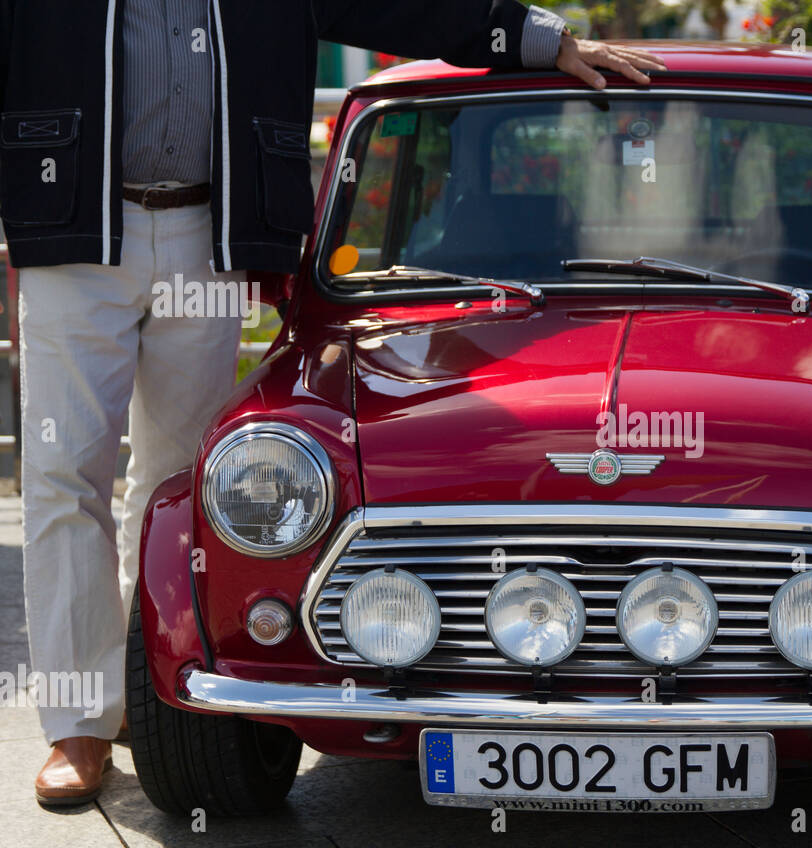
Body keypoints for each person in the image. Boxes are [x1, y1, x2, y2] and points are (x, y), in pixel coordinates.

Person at [0, 0, 664, 807]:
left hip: (209, 232)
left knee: (183, 483)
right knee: (64, 473)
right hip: (74, 230)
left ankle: (146, 691)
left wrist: (543, 39)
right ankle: (78, 726)